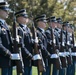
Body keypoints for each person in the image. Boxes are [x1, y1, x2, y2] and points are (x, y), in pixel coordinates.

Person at [15, 9, 41, 75]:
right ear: (19, 18)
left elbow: (30, 43)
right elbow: (21, 45)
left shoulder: (27, 29)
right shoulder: (19, 29)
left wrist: (35, 43)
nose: (26, 18)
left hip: (29, 59)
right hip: (24, 58)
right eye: (24, 16)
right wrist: (29, 55)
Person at [0, 1, 13, 75]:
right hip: (2, 60)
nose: (7, 12)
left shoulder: (5, 24)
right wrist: (8, 53)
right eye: (5, 10)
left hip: (8, 60)